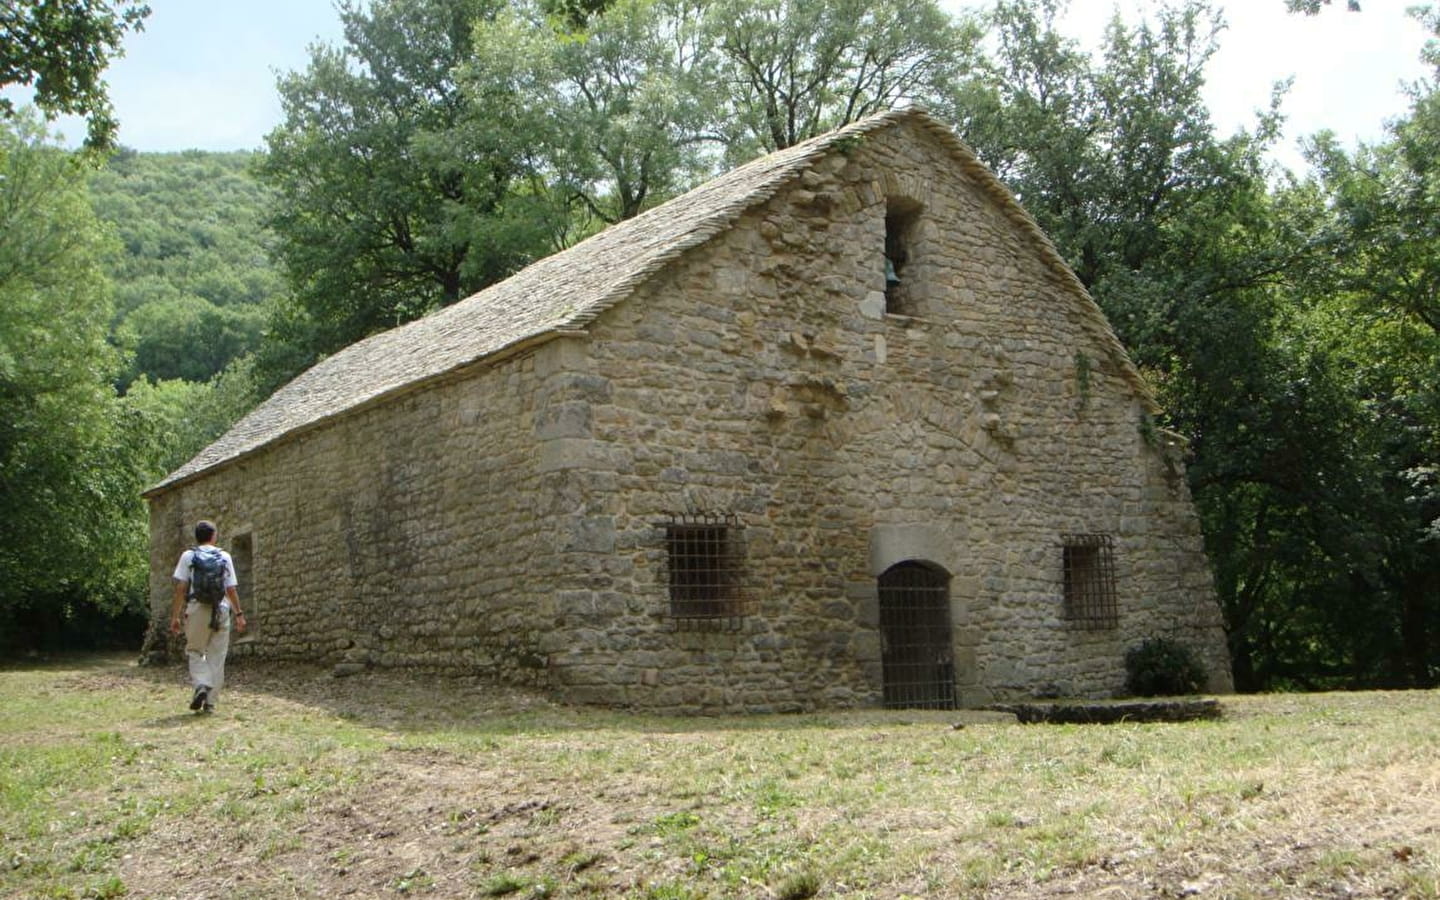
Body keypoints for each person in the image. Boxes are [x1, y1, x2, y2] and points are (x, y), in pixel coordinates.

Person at [168, 520, 246, 713]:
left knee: (194, 651)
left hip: (197, 609)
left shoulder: (188, 556)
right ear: (214, 536)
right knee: (217, 656)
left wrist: (175, 617)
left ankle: (201, 684)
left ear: (197, 536)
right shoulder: (224, 556)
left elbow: (181, 588)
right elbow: (230, 589)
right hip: (221, 609)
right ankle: (210, 703)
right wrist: (239, 614)